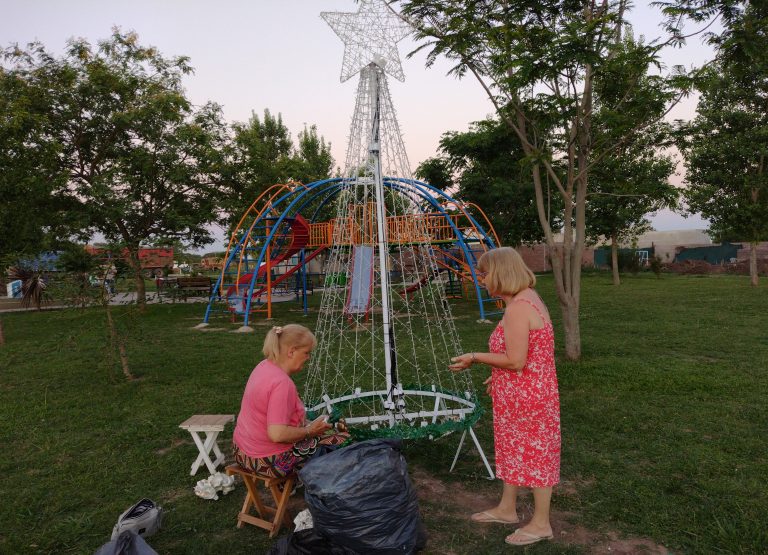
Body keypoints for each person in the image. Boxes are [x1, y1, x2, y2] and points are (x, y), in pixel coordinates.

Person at [449, 247, 561, 547]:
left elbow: (516, 361)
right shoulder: (526, 299)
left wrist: (475, 357)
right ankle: (507, 509)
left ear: (500, 273)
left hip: (529, 396)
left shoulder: (518, 308)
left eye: (484, 274)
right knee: (513, 448)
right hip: (524, 391)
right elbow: (530, 355)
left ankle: (541, 524)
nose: (481, 279)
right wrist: (497, 375)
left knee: (536, 456)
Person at [232, 324, 349, 478]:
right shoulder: (282, 384)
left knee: (324, 437)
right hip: (269, 461)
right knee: (344, 440)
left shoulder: (264, 366)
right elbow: (277, 435)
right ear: (291, 351)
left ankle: (290, 485)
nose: (308, 357)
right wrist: (309, 431)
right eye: (306, 352)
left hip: (241, 451)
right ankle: (327, 486)